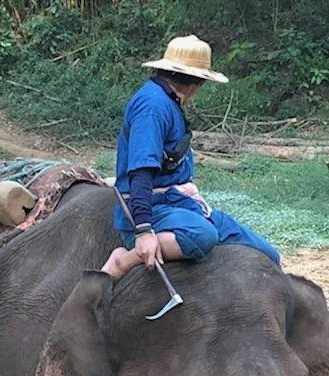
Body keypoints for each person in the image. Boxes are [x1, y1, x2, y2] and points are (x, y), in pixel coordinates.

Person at [102, 35, 280, 280]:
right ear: (198, 83)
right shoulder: (152, 107)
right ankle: (124, 260)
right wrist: (143, 231)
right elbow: (141, 171)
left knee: (268, 254)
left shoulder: (168, 101)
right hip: (154, 207)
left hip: (179, 202)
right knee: (202, 234)